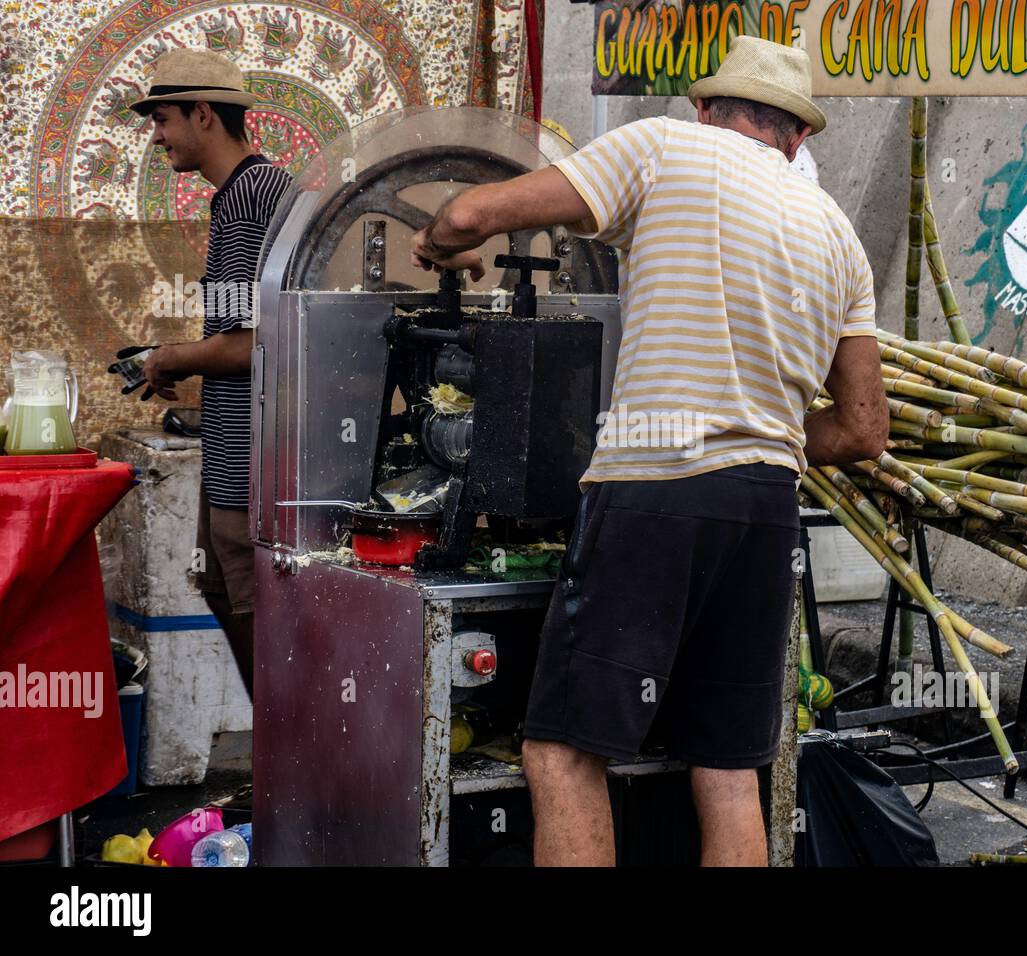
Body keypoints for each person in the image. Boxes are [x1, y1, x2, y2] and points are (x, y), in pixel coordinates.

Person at [410, 36, 888, 866]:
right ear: (797, 137)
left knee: (561, 750)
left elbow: (467, 214)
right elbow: (861, 430)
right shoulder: (838, 232)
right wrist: (753, 432)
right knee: (731, 768)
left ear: (706, 108)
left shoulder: (662, 146)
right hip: (769, 507)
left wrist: (441, 249)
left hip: (655, 496)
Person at [132, 49, 293, 701]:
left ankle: (289, 772)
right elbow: (237, 334)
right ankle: (281, 762)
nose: (158, 135)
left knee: (257, 610)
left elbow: (253, 345)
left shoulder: (249, 201)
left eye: (164, 118)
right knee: (221, 585)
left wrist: (169, 358)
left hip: (252, 463)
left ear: (204, 114)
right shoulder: (248, 195)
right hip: (235, 452)